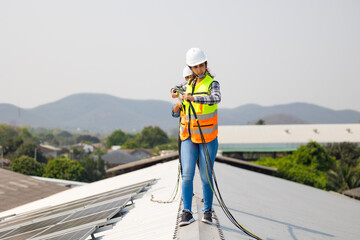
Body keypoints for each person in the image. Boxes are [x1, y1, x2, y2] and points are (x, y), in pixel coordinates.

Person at [172, 48, 221, 226]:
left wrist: (194, 98)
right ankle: (187, 212)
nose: (199, 69)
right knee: (187, 175)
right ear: (191, 68)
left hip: (208, 138)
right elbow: (180, 99)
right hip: (189, 136)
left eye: (202, 65)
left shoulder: (212, 83)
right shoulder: (188, 85)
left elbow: (216, 99)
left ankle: (207, 211)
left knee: (206, 177)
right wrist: (175, 105)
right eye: (195, 67)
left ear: (206, 64)